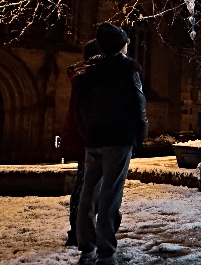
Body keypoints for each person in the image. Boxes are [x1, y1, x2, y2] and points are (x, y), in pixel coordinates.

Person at [75, 22, 148, 265]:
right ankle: (105, 251)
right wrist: (140, 132)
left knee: (89, 191)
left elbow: (80, 106)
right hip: (118, 138)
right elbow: (138, 103)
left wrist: (88, 131)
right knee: (110, 194)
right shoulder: (128, 68)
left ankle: (86, 245)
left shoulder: (89, 70)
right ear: (121, 45)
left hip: (94, 138)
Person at [60, 39, 103, 247]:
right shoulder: (86, 81)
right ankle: (77, 232)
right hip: (88, 144)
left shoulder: (83, 79)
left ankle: (81, 231)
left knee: (86, 187)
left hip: (87, 143)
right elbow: (82, 117)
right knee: (85, 188)